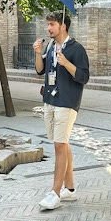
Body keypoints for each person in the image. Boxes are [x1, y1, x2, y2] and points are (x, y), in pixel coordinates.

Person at [33, 11, 89, 210]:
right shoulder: (50, 46)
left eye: (52, 24)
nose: (48, 28)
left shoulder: (76, 49)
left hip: (67, 102)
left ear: (63, 26)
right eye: (48, 24)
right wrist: (38, 54)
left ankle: (55, 192)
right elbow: (40, 71)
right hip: (50, 100)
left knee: (59, 145)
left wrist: (66, 63)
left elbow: (83, 77)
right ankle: (70, 190)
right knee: (62, 144)